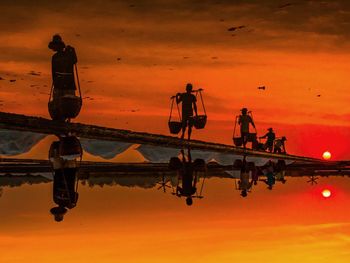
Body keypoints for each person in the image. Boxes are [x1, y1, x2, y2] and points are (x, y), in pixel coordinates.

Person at [48, 34, 78, 100]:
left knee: (64, 103)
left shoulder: (64, 55)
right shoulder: (56, 57)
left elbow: (74, 60)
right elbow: (54, 72)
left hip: (66, 85)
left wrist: (73, 51)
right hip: (62, 85)